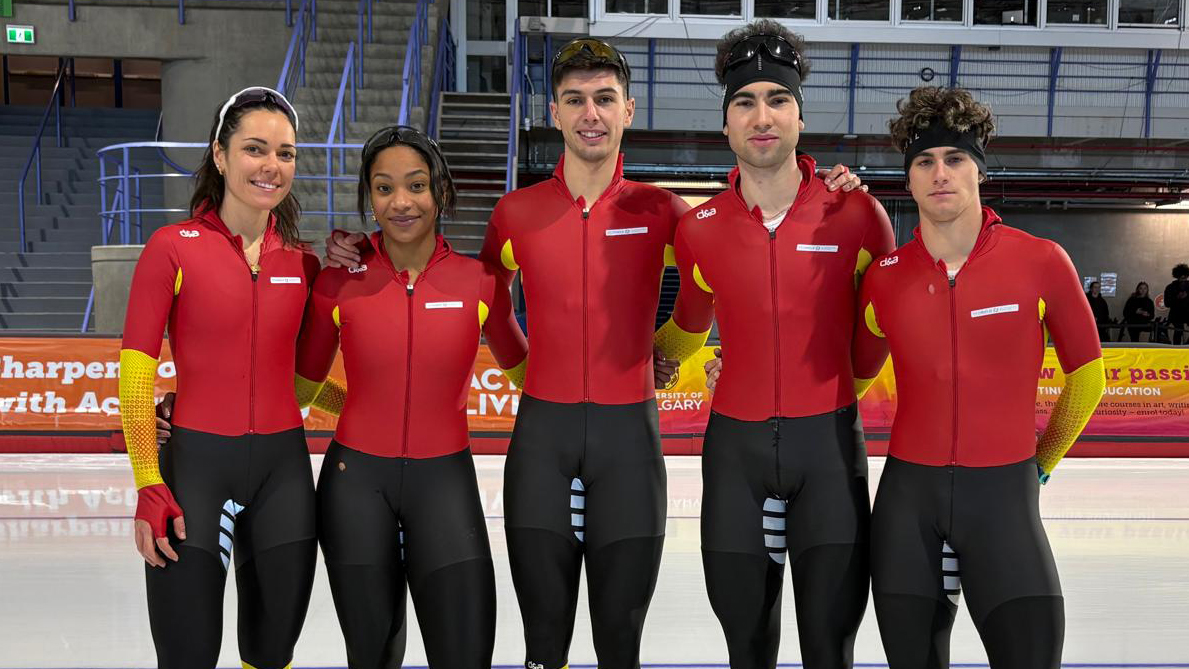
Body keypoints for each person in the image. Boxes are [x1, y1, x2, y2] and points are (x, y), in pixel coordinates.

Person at [322, 38, 863, 669]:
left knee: (619, 644)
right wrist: (367, 250)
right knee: (542, 645)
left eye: (605, 99)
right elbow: (487, 309)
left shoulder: (666, 213)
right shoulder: (516, 214)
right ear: (553, 112)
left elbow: (705, 297)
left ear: (629, 109)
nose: (590, 114)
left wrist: (657, 357)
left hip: (629, 446)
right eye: (575, 100)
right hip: (541, 446)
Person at [662, 21, 896, 668]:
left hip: (826, 450)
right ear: (725, 123)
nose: (761, 116)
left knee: (829, 647)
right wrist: (652, 358)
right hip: (732, 454)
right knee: (746, 647)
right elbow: (686, 324)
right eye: (744, 102)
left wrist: (824, 394)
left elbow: (877, 334)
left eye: (776, 99)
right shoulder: (699, 227)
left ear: (799, 114)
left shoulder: (855, 215)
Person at [853, 86, 1105, 669]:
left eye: (954, 158)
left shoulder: (1040, 260)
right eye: (923, 161)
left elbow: (1087, 375)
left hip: (1005, 503)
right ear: (909, 180)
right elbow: (852, 378)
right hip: (905, 509)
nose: (939, 173)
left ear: (979, 171)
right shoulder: (884, 278)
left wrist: (1040, 463)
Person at [293, 125, 528, 668]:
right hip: (355, 488)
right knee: (372, 656)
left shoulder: (480, 282)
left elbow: (534, 379)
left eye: (416, 185)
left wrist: (630, 364)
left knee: (466, 652)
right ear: (367, 200)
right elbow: (298, 389)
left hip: (444, 483)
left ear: (440, 191)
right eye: (383, 188)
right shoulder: (337, 282)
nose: (401, 202)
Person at [119, 86, 321, 669]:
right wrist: (147, 483)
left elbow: (301, 386)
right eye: (255, 149)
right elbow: (135, 376)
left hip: (284, 475)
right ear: (220, 154)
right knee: (188, 654)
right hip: (194, 477)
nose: (272, 166)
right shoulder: (171, 249)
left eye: (286, 153)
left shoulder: (303, 264)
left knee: (271, 652)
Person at [1164, 263, 1189, 344]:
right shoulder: (1170, 287)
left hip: (1188, 313)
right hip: (1176, 315)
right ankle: (1176, 350)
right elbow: (1167, 303)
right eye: (1181, 277)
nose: (1183, 279)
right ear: (1177, 276)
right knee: (1178, 331)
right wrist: (1177, 298)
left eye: (1185, 277)